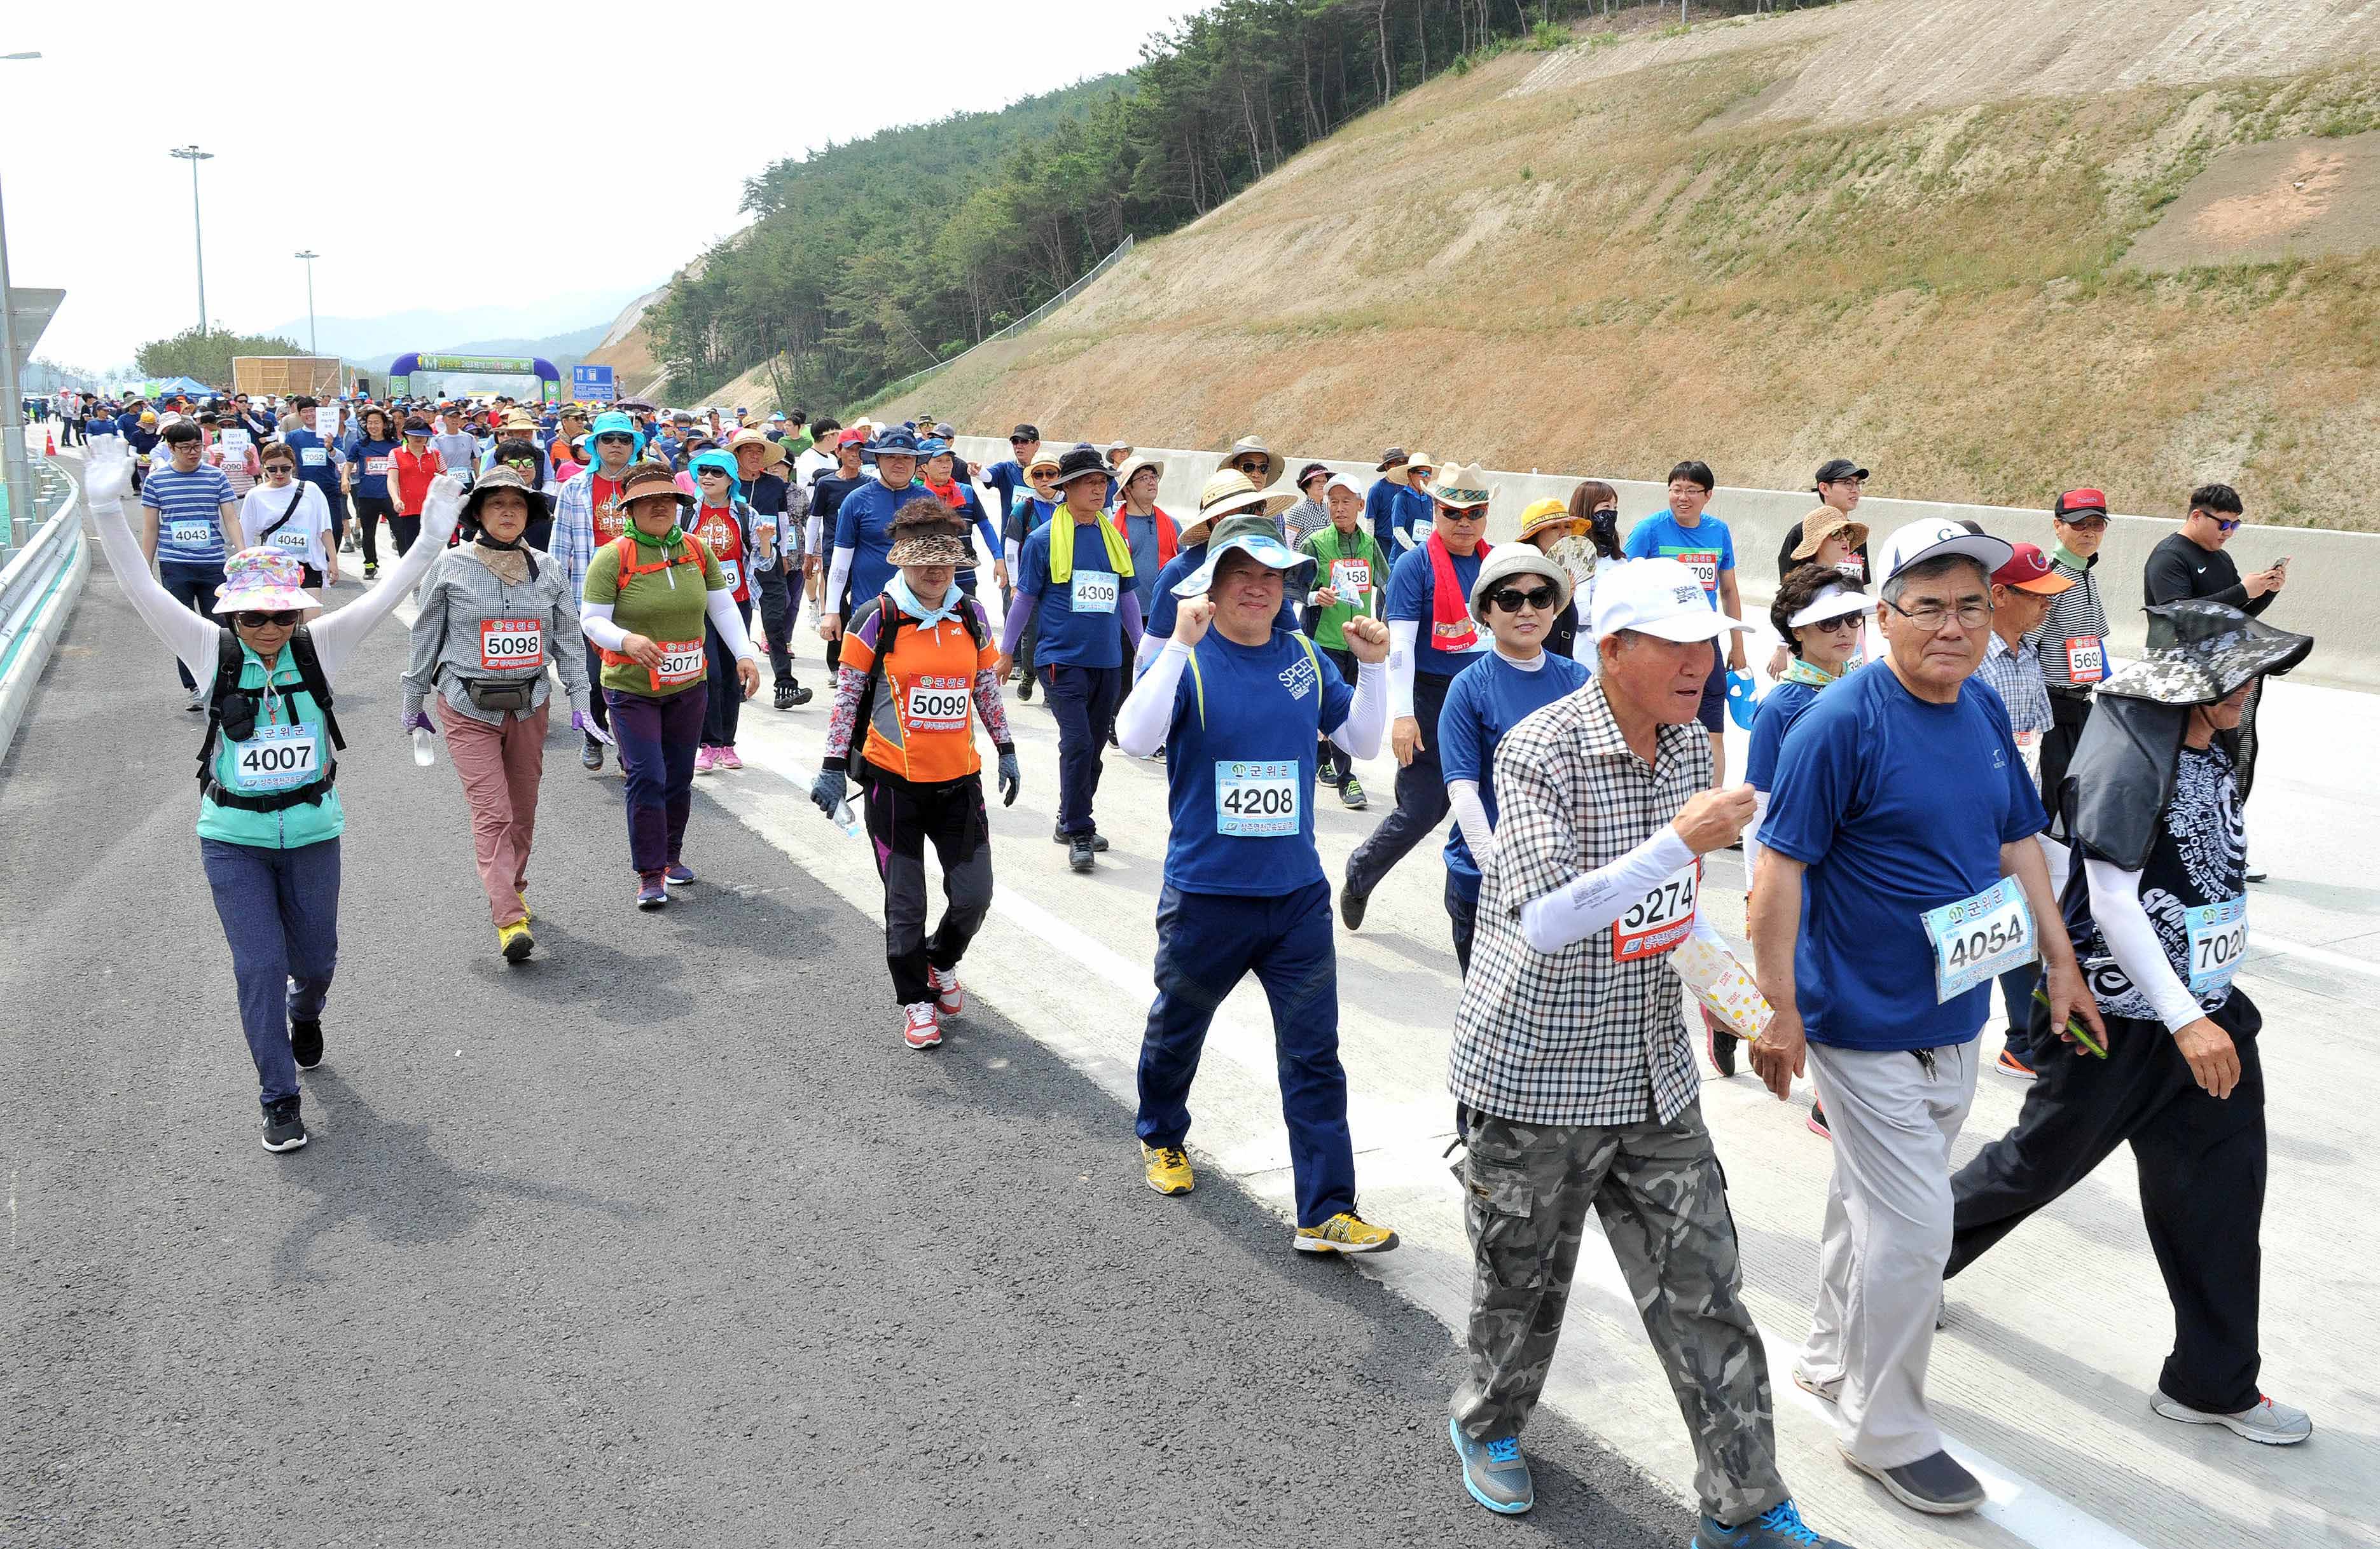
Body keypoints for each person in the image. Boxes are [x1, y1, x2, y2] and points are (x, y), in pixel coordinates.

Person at [1443, 558, 1850, 1549]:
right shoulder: (1539, 749)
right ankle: (1488, 1425)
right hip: (1533, 1075)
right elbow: (1544, 917)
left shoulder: (1682, 750)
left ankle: (1743, 1508)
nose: (1699, 661)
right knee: (1521, 1285)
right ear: (1612, 650)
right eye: (1674, 643)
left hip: (1650, 1077)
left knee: (1706, 1292)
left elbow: (1665, 922)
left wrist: (1755, 1014)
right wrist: (1678, 840)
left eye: (1706, 641)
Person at [1747, 518, 2104, 1519]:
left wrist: (2059, 966)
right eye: (1928, 606)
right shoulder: (1840, 723)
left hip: (1952, 1009)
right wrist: (1780, 1014)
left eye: (1971, 607)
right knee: (1915, 1223)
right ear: (1885, 615)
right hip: (1859, 1020)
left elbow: (2016, 840)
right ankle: (1884, 1429)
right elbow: (1777, 872)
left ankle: (1827, 1355)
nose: (1952, 626)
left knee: (1870, 1204)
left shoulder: (1983, 708)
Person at [1948, 600, 2315, 1447]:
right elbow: (2110, 896)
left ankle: (2210, 1383)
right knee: (2029, 1171)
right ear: (2193, 684)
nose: (2249, 689)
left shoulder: (2213, 749)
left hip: (2209, 1018)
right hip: (2118, 1024)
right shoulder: (2127, 752)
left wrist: (2202, 1011)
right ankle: (1893, 1271)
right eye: (2234, 675)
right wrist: (2184, 1019)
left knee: (2220, 1198)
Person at [85, 447, 458, 1152]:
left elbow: (384, 598)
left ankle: (306, 1010)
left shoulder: (320, 648)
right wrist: (108, 508)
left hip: (314, 831)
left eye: (280, 617)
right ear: (232, 618)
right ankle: (278, 1096)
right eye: (253, 618)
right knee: (256, 964)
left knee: (315, 961)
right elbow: (141, 587)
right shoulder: (208, 649)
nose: (268, 630)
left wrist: (433, 536)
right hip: (232, 838)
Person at [1114, 513, 1397, 1255]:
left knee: (1313, 1055)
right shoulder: (1191, 658)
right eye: (1241, 575)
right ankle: (1161, 1135)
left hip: (1296, 896)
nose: (1257, 590)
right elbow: (1136, 739)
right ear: (1210, 585)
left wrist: (1373, 668)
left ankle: (1326, 1209)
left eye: (1271, 577)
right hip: (1207, 893)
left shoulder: (1303, 653)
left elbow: (1362, 744)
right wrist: (1176, 644)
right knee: (1178, 1028)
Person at [808, 503, 1021, 1050]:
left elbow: (985, 690)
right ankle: (916, 1003)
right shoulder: (875, 618)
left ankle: (940, 959)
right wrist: (833, 768)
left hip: (960, 784)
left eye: (946, 565)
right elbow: (848, 699)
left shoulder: (971, 615)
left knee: (974, 896)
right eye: (925, 564)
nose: (936, 573)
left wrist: (1007, 748)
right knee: (906, 904)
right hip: (892, 786)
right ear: (902, 562)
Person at [399, 466, 599, 961]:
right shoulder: (449, 566)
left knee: (523, 812)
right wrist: (413, 704)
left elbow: (570, 640)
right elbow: (424, 638)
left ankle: (513, 885)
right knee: (493, 812)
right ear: (478, 514)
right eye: (496, 504)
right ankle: (509, 919)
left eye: (517, 505)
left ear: (530, 515)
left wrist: (581, 702)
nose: (508, 512)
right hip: (467, 706)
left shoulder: (549, 569)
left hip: (530, 704)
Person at [577, 462, 760, 907]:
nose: (660, 507)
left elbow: (722, 609)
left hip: (687, 685)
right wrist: (627, 639)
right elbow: (591, 620)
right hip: (631, 687)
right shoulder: (613, 556)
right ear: (630, 508)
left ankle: (670, 858)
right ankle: (648, 873)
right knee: (647, 775)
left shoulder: (698, 550)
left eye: (669, 499)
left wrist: (745, 653)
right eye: (647, 501)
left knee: (678, 776)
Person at [1338, 460, 1494, 930]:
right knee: (1424, 809)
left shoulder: (1496, 562)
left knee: (1486, 809)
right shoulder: (1415, 565)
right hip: (1429, 697)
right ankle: (1361, 872)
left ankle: (1472, 916)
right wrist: (1404, 715)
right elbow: (1401, 646)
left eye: (1475, 513)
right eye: (1452, 514)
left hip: (1483, 696)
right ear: (1436, 511)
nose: (1464, 524)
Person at [1732, 565, 1869, 1097]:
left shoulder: (1867, 693)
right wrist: (1756, 892)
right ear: (1797, 633)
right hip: (1799, 872)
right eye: (1828, 622)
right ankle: (1826, 1099)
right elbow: (1759, 810)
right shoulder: (1779, 709)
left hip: (1853, 870)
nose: (1843, 631)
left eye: (1851, 619)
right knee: (1809, 982)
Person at [1437, 549, 1593, 974]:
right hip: (1486, 884)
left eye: (1540, 597)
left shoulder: (1579, 681)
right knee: (1493, 1026)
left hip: (1562, 883)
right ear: (1486, 611)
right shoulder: (1468, 688)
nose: (1526, 610)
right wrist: (1497, 871)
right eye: (1510, 599)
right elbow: (1462, 790)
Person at [998, 446, 1144, 871]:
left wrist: (1142, 651)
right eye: (1090, 483)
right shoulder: (1043, 541)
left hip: (1107, 660)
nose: (1099, 490)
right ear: (1068, 489)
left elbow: (1128, 598)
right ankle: (1080, 828)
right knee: (1078, 742)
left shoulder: (1114, 538)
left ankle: (1068, 816)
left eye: (1103, 482)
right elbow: (1024, 599)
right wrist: (1007, 653)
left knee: (1093, 748)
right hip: (1061, 660)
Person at [2145, 483, 2289, 862]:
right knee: (2183, 761)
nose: (2228, 534)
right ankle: (2168, 841)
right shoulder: (2169, 557)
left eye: (2236, 527)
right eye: (2224, 525)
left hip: (2225, 677)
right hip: (2184, 679)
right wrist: (2243, 589)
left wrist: (2265, 592)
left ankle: (2225, 838)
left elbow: (2234, 615)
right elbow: (2180, 615)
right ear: (2197, 516)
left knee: (2236, 756)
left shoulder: (2221, 559)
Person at [1973, 542, 2073, 1078]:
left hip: (2017, 817)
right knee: (1991, 927)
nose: (2047, 606)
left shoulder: (2029, 655)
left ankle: (2025, 1037)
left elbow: (2035, 742)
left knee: (2016, 925)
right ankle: (2020, 1038)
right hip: (1977, 819)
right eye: (2037, 596)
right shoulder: (1971, 659)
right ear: (1999, 595)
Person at [1624, 460, 1747, 790]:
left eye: (1692, 491)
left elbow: (1729, 590)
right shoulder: (1648, 531)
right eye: (1676, 490)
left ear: (1708, 495)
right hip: (1662, 642)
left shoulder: (1718, 531)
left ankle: (1714, 801)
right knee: (1662, 722)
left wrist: (1738, 647)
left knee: (1712, 727)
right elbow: (1622, 584)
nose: (1683, 497)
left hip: (1707, 641)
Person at [552, 410, 648, 770]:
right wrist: (554, 601)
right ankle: (593, 736)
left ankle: (630, 748)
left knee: (634, 679)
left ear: (634, 445)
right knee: (592, 679)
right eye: (608, 439)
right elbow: (560, 549)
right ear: (595, 445)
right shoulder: (574, 488)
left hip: (640, 597)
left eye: (624, 440)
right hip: (588, 599)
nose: (616, 446)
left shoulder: (643, 487)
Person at [1297, 472, 1386, 809]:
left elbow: (1387, 585)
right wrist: (1314, 596)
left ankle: (1334, 764)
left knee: (1348, 711)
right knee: (1323, 708)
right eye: (1333, 501)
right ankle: (1344, 777)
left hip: (1358, 643)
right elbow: (1293, 588)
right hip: (1323, 641)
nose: (1339, 508)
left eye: (1347, 501)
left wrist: (1384, 623)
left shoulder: (1369, 545)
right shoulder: (1315, 544)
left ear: (1361, 506)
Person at [139, 419, 242, 708]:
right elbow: (151, 529)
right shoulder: (156, 481)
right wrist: (144, 568)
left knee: (221, 626)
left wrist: (242, 554)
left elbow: (230, 518)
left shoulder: (216, 477)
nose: (193, 453)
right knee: (182, 625)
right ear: (171, 448)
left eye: (198, 446)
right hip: (175, 563)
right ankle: (195, 685)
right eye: (186, 448)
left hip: (213, 562)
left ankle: (225, 682)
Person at [2033, 486, 2114, 836]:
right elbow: (2025, 647)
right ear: (2058, 526)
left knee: (2081, 802)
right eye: (2080, 524)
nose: (2089, 533)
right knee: (2047, 806)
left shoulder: (2084, 574)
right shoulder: (2050, 580)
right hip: (2050, 709)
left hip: (2081, 704)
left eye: (2097, 524)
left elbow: (2093, 643)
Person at [820, 427, 927, 673]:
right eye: (891, 456)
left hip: (919, 612)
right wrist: (832, 611)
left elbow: (941, 560)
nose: (899, 463)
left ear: (916, 462)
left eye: (907, 457)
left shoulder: (928, 502)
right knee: (865, 686)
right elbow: (840, 561)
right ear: (877, 459)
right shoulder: (856, 501)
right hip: (868, 611)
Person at [727, 428, 812, 712]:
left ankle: (785, 684)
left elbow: (785, 522)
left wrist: (788, 555)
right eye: (748, 450)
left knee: (775, 622)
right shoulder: (727, 484)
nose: (754, 455)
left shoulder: (776, 486)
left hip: (770, 559)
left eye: (759, 451)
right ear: (737, 454)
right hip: (735, 565)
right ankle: (735, 683)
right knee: (736, 623)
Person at [686, 450, 756, 774]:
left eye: (717, 472)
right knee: (708, 674)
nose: (708, 478)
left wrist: (767, 545)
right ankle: (707, 743)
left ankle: (728, 743)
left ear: (731, 479)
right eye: (703, 472)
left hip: (737, 603)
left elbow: (764, 563)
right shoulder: (685, 513)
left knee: (732, 675)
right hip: (697, 605)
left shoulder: (746, 513)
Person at [1765, 505, 1871, 679]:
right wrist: (1781, 648)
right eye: (1836, 534)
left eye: (1847, 533)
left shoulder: (1844, 580)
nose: (1844, 540)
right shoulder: (1803, 583)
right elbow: (1785, 613)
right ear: (1818, 541)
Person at [1000, 448, 1065, 701]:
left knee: (1057, 635)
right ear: (1032, 479)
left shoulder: (1067, 507)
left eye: (1051, 473)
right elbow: (1010, 547)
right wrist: (1015, 583)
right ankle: (1029, 672)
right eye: (1039, 474)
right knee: (1032, 633)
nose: (1045, 479)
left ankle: (1051, 688)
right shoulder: (1023, 508)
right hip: (1030, 582)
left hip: (1059, 583)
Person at [238, 444, 338, 591]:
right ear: (264, 467)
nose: (279, 473)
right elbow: (245, 533)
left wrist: (333, 562)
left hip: (307, 564)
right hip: (271, 566)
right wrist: (244, 567)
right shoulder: (255, 495)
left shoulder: (312, 490)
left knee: (311, 614)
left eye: (285, 468)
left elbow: (325, 530)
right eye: (272, 469)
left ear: (293, 466)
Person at [917, 437, 1002, 597]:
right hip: (930, 577)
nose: (945, 465)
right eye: (939, 461)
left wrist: (999, 558)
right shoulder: (917, 496)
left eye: (949, 460)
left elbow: (985, 526)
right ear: (924, 466)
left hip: (964, 573)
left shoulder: (966, 492)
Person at [1112, 455, 1179, 618]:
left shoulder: (1172, 524)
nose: (1152, 482)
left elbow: (1184, 568)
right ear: (1128, 489)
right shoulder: (1112, 527)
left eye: (1153, 476)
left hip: (1165, 612)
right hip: (1124, 615)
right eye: (1143, 478)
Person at [388, 418, 446, 560]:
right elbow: (392, 480)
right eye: (414, 434)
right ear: (406, 435)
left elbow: (445, 482)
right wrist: (396, 500)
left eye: (422, 435)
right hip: (407, 510)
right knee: (409, 552)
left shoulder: (436, 454)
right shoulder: (396, 454)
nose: (418, 438)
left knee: (431, 551)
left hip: (432, 511)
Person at [1366, 447, 1411, 556]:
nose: (1400, 465)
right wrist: (1369, 548)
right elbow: (1370, 521)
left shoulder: (1408, 488)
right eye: (1396, 463)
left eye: (1403, 462)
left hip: (1403, 542)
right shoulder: (1377, 490)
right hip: (1383, 543)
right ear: (1387, 466)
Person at [1281, 462, 1332, 546]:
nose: (1322, 484)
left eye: (1325, 481)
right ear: (1306, 486)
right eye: (1317, 481)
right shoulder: (1298, 511)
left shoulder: (1329, 508)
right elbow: (1287, 543)